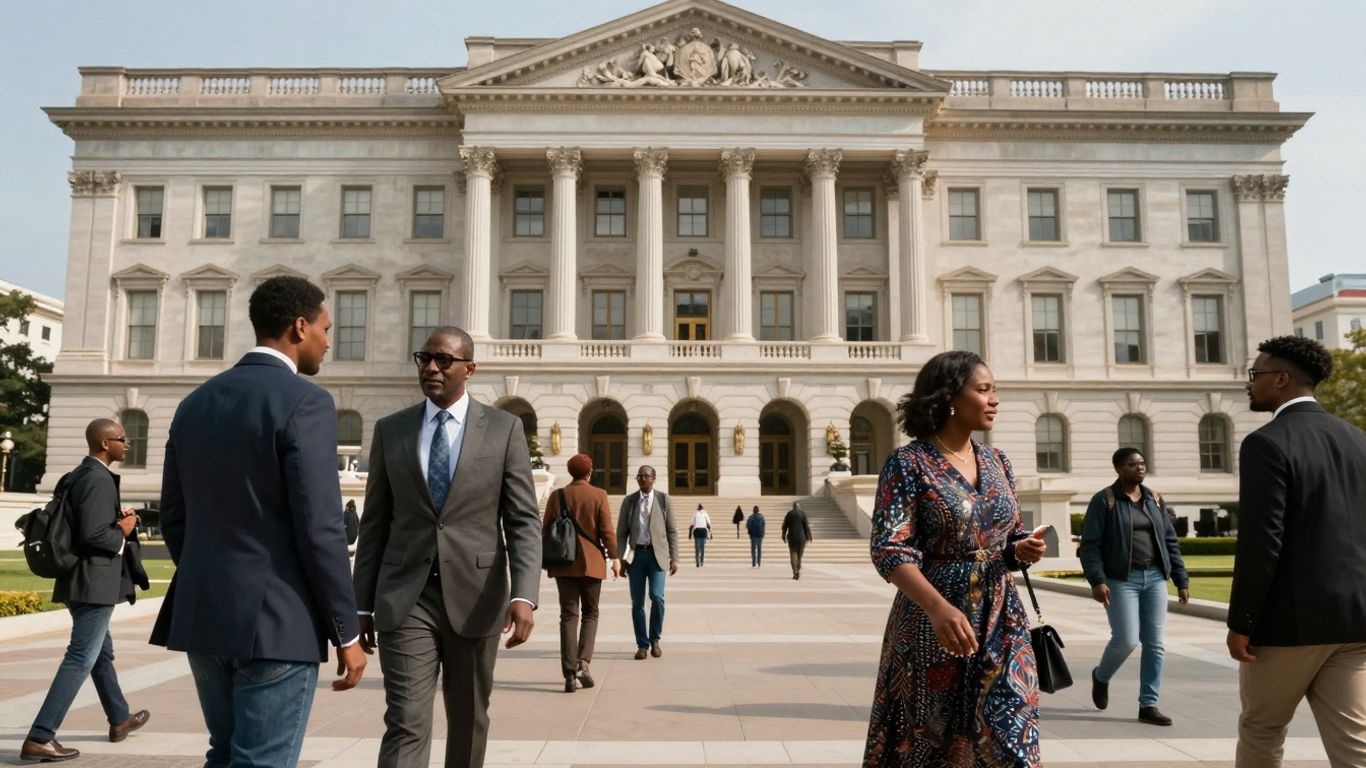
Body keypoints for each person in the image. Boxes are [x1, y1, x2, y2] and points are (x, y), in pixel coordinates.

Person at [151, 276, 366, 768]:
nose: (328, 342)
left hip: (206, 615)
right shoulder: (306, 401)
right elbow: (320, 527)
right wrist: (346, 632)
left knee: (224, 753)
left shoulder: (193, 404)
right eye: (325, 329)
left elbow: (174, 518)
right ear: (299, 327)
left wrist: (214, 578)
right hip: (277, 622)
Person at [353, 326, 540, 768]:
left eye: (443, 360)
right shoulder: (391, 430)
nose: (431, 368)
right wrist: (361, 604)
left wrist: (524, 595)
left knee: (469, 719)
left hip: (477, 597)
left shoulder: (504, 429)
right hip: (405, 597)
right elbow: (375, 523)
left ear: (469, 369)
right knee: (406, 720)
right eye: (424, 359)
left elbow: (522, 520)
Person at [864, 350, 1046, 767]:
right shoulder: (908, 463)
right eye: (984, 390)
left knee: (1011, 739)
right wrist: (937, 609)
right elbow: (889, 548)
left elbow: (1009, 535)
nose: (994, 399)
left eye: (994, 390)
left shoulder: (998, 461)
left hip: (1001, 620)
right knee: (931, 741)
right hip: (933, 621)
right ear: (949, 397)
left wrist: (1021, 549)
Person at [1228, 336, 1366, 768]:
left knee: (1262, 730)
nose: (1249, 383)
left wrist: (1241, 622)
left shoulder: (1265, 443)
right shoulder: (1359, 440)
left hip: (1287, 626)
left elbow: (1262, 542)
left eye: (1256, 374)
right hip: (1354, 620)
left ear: (1282, 379)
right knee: (1355, 744)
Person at [21, 419, 150, 763]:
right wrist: (123, 529)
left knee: (100, 654)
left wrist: (115, 520)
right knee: (81, 657)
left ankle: (119, 718)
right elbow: (93, 535)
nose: (127, 444)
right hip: (93, 582)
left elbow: (83, 525)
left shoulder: (77, 475)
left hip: (76, 578)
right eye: (122, 439)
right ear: (105, 444)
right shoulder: (98, 478)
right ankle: (40, 736)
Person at [1079, 447, 1190, 726]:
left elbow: (1169, 541)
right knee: (1126, 640)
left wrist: (1180, 579)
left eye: (1142, 463)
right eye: (1132, 464)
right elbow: (1090, 545)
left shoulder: (1154, 499)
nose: (1139, 467)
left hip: (1155, 578)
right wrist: (1097, 580)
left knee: (1155, 643)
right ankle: (1101, 676)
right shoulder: (1104, 500)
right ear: (1119, 469)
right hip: (1121, 580)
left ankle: (1148, 705)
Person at [542, 453, 618, 693]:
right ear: (589, 471)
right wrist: (615, 557)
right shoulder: (599, 495)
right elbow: (606, 531)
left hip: (563, 562)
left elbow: (546, 530)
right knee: (591, 613)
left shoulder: (557, 496)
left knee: (568, 615)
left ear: (570, 471)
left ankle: (568, 674)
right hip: (592, 563)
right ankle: (583, 663)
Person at [615, 464, 678, 660]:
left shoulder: (663, 500)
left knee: (657, 597)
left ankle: (655, 639)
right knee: (637, 602)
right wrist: (620, 558)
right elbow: (621, 533)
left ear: (654, 478)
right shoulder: (629, 501)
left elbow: (672, 531)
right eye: (639, 476)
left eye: (646, 476)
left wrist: (674, 558)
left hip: (657, 556)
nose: (642, 479)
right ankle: (642, 644)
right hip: (637, 556)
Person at [782, 501, 812, 580]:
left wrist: (783, 536)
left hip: (792, 537)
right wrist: (809, 537)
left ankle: (795, 571)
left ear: (793, 507)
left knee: (793, 554)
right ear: (799, 507)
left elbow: (784, 526)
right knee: (799, 555)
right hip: (801, 538)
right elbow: (806, 526)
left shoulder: (789, 514)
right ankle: (798, 569)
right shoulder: (802, 514)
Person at [688, 503, 713, 567]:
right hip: (703, 531)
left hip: (697, 531)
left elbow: (691, 525)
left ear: (698, 508)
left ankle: (697, 562)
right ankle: (701, 562)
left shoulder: (695, 514)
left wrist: (690, 534)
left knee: (697, 548)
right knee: (702, 548)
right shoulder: (705, 514)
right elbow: (709, 524)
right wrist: (711, 534)